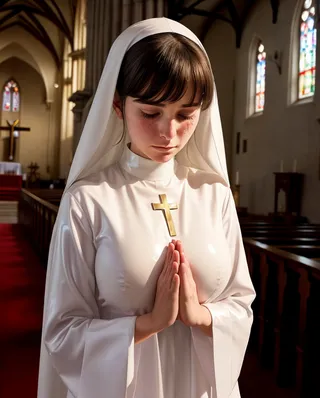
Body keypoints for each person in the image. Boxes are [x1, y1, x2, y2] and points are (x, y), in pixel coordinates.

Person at [37, 17, 255, 398]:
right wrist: (148, 324)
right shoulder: (88, 200)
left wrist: (201, 316)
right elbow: (63, 330)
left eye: (186, 114)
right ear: (118, 106)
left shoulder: (214, 194)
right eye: (151, 113)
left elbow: (240, 303)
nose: (169, 133)